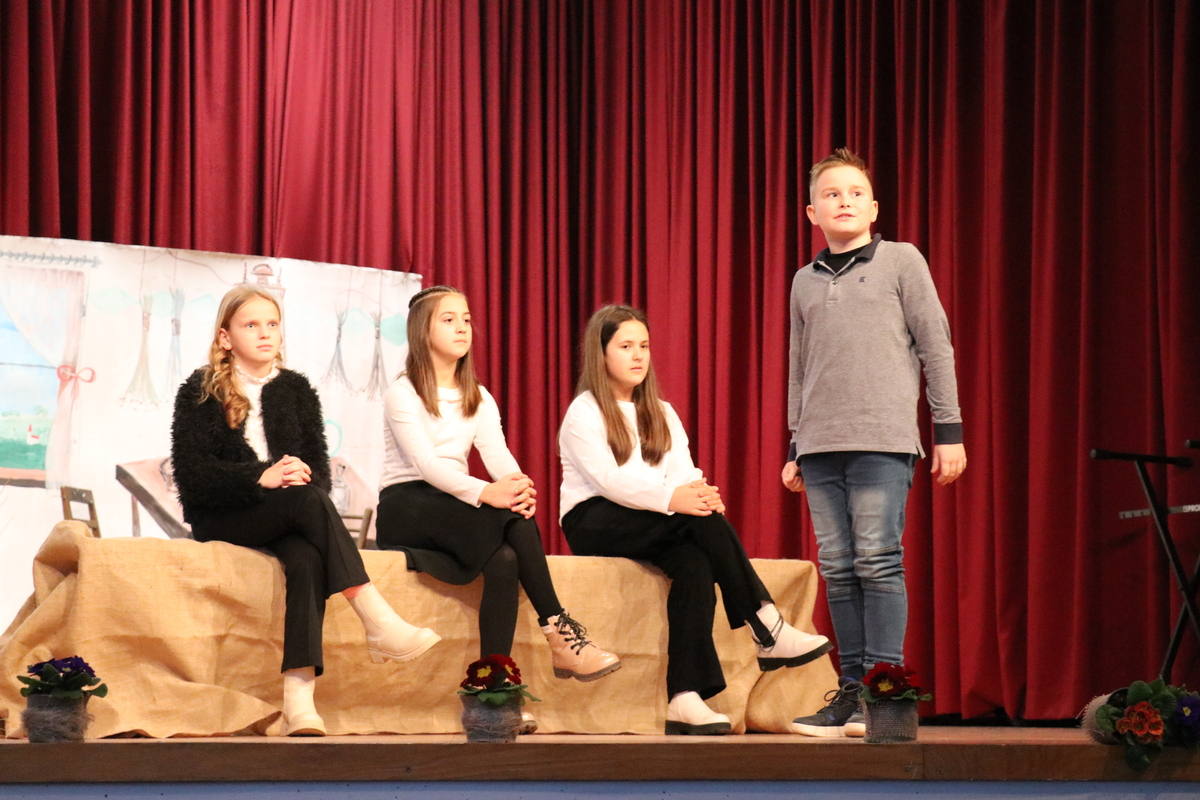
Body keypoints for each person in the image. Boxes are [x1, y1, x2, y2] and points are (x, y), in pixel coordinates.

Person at [171, 285, 440, 737]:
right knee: (307, 502)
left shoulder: (295, 389)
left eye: (272, 324)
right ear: (225, 337)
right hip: (224, 513)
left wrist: (299, 474)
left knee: (308, 556)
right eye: (251, 325)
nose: (265, 334)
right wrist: (260, 475)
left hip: (284, 511)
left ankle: (298, 700)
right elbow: (192, 476)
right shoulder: (200, 389)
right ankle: (376, 619)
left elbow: (319, 474)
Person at [559, 305, 833, 736]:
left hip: (655, 518)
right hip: (593, 518)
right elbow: (609, 481)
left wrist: (700, 495)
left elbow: (685, 472)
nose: (638, 355)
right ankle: (766, 625)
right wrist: (676, 499)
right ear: (602, 353)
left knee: (695, 561)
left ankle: (684, 698)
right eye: (626, 346)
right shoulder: (585, 410)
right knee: (698, 522)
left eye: (644, 345)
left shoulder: (662, 411)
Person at [783, 148, 966, 738]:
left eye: (855, 193)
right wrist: (795, 444)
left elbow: (936, 345)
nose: (844, 202)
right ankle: (852, 691)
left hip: (882, 439)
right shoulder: (804, 281)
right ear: (812, 212)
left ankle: (884, 694)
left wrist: (948, 431)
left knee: (878, 560)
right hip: (819, 445)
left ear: (874, 207)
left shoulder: (901, 260)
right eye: (831, 194)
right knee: (838, 569)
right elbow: (799, 367)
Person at [374, 286, 620, 723]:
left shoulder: (479, 395)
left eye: (466, 319)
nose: (462, 327)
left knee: (505, 559)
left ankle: (494, 696)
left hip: (452, 503)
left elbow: (497, 455)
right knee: (505, 515)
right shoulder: (404, 391)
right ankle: (560, 631)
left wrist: (517, 485)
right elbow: (427, 465)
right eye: (449, 319)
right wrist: (488, 492)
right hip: (406, 503)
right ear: (422, 331)